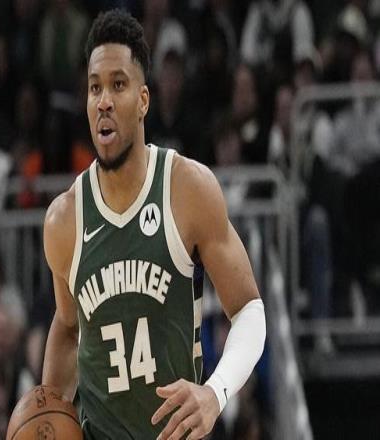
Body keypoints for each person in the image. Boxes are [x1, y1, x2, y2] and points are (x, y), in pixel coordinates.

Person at [42, 9, 266, 440]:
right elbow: (68, 326)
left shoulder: (188, 189)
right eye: (94, 88)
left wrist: (215, 392)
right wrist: (48, 413)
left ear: (143, 100)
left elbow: (249, 311)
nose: (103, 101)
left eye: (118, 85)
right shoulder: (64, 219)